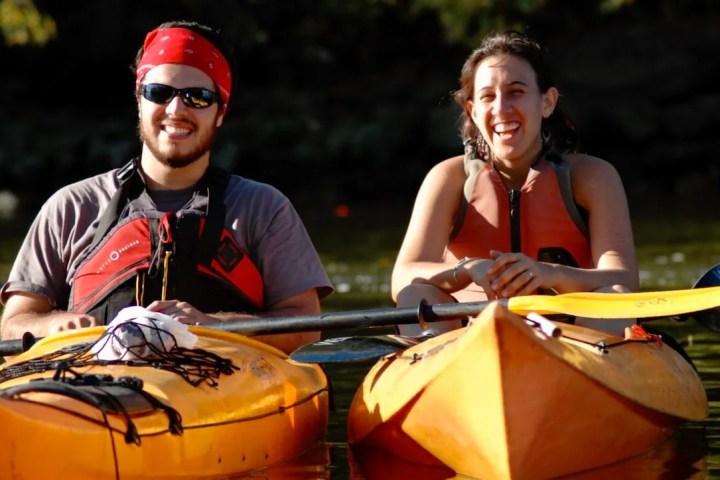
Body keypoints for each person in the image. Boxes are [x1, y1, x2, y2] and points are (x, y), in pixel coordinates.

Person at [0, 20, 333, 354]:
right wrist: (56, 325)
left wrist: (215, 326)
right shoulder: (70, 206)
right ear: (139, 100)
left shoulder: (264, 208)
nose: (176, 110)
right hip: (88, 382)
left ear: (220, 113)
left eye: (198, 97)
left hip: (219, 388)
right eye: (159, 93)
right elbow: (12, 325)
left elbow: (306, 327)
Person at [392, 30, 638, 336]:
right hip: (469, 341)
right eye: (487, 97)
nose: (501, 109)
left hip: (573, 341)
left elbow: (624, 278)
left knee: (613, 297)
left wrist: (548, 273)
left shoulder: (593, 177)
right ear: (473, 110)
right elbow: (403, 276)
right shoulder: (448, 179)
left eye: (516, 92)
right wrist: (466, 270)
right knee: (415, 294)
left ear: (547, 102)